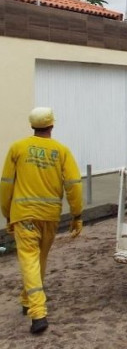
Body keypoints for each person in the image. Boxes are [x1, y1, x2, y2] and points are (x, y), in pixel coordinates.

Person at [0, 107, 83, 334]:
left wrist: (7, 212)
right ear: (52, 126)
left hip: (24, 214)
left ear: (32, 126)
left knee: (29, 260)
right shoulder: (61, 151)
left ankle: (38, 312)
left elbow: (6, 183)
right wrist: (77, 215)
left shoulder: (18, 148)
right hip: (49, 216)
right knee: (39, 259)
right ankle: (28, 302)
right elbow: (74, 184)